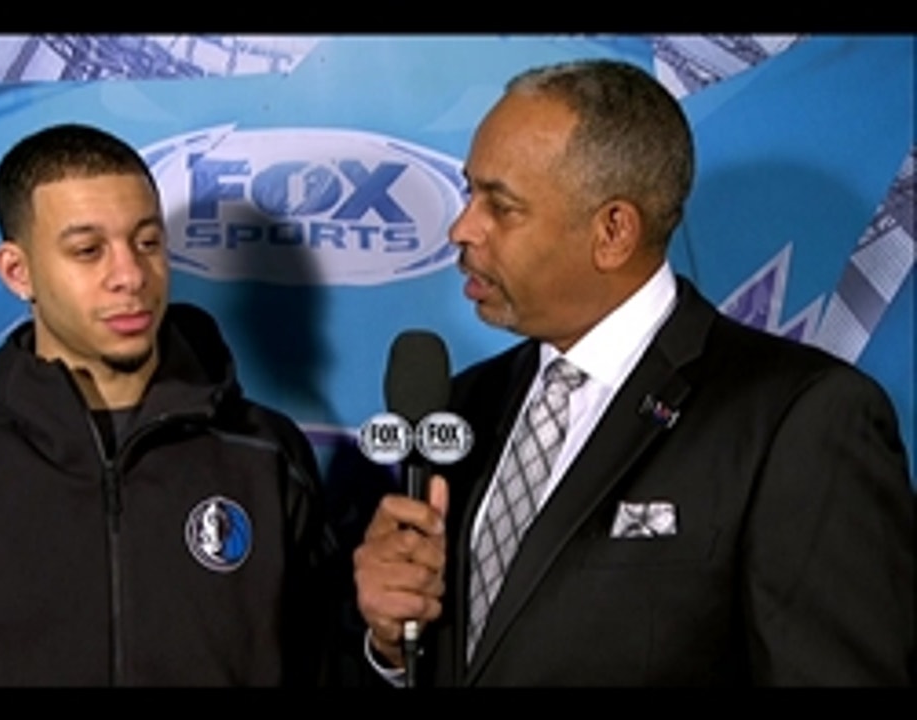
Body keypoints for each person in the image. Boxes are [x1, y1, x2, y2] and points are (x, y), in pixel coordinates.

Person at [353, 58, 914, 686]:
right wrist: (393, 646)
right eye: (467, 192)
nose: (462, 228)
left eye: (501, 207)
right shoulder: (463, 407)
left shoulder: (798, 420)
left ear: (613, 231)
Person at [0, 123, 337, 686]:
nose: (130, 276)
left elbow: (323, 666)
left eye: (147, 243)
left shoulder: (264, 454)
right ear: (18, 272)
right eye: (88, 251)